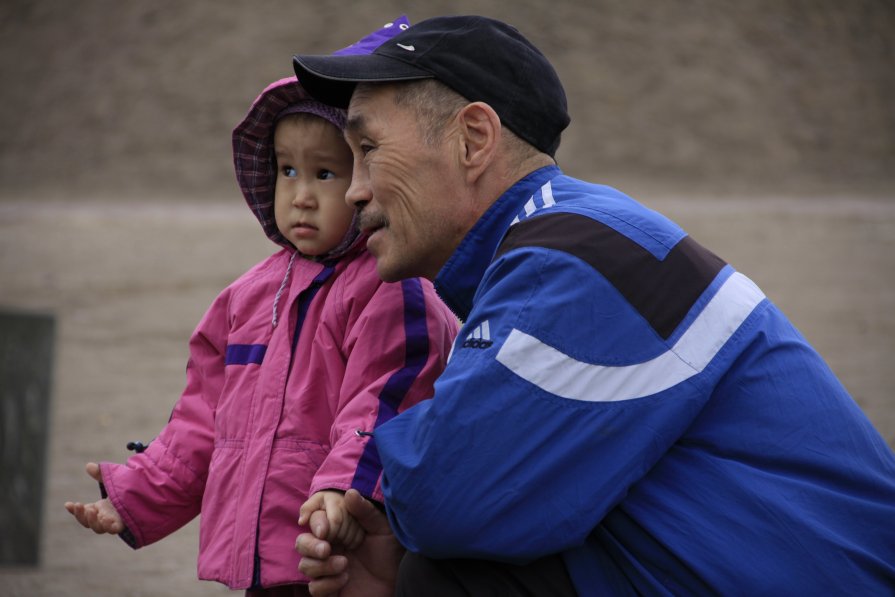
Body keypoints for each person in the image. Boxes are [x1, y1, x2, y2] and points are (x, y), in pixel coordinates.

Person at [289, 15, 895, 596]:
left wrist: (401, 519)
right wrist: (397, 560)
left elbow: (443, 496)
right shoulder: (571, 233)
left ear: (472, 140)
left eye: (367, 149)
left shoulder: (574, 256)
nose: (354, 191)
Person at [64, 16, 459, 596]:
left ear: (368, 180)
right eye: (286, 169)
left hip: (336, 551)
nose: (300, 194)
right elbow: (203, 418)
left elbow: (385, 404)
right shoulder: (246, 295)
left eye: (326, 173)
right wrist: (139, 495)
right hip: (260, 563)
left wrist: (341, 492)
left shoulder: (390, 287)